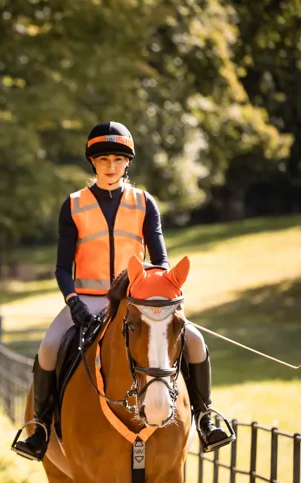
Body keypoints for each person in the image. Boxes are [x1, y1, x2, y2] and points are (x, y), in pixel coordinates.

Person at [12, 121, 235, 461]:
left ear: (127, 162)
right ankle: (40, 428)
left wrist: (153, 291)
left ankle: (205, 418)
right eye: (103, 160)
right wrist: (73, 302)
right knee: (49, 347)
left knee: (194, 340)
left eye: (118, 159)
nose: (111, 166)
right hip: (87, 299)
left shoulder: (145, 203)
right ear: (93, 162)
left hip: (136, 300)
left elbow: (160, 262)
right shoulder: (73, 205)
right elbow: (62, 268)